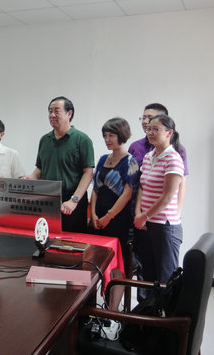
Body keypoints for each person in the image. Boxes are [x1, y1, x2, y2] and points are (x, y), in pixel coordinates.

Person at [128, 103, 189, 298]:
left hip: (164, 226)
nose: (150, 132)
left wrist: (144, 216)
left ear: (169, 132)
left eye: (156, 129)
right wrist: (139, 214)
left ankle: (164, 316)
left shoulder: (174, 158)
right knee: (147, 274)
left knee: (166, 279)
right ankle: (147, 313)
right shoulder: (148, 156)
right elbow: (141, 186)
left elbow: (168, 196)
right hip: (146, 224)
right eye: (149, 129)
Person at [90, 118, 139, 312]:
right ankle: (96, 308)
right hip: (98, 218)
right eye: (105, 135)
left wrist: (108, 217)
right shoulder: (103, 159)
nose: (107, 139)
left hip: (118, 220)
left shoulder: (130, 161)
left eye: (111, 135)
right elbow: (95, 189)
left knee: (118, 264)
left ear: (122, 136)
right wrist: (94, 214)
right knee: (95, 261)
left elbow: (127, 194)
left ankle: (112, 310)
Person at [26, 96, 94, 233]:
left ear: (69, 113)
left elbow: (88, 173)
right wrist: (30, 178)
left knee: (71, 241)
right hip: (46, 199)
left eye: (56, 111)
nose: (52, 115)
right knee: (45, 238)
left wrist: (74, 200)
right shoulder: (45, 140)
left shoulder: (82, 140)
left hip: (71, 200)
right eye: (50, 111)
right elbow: (40, 168)